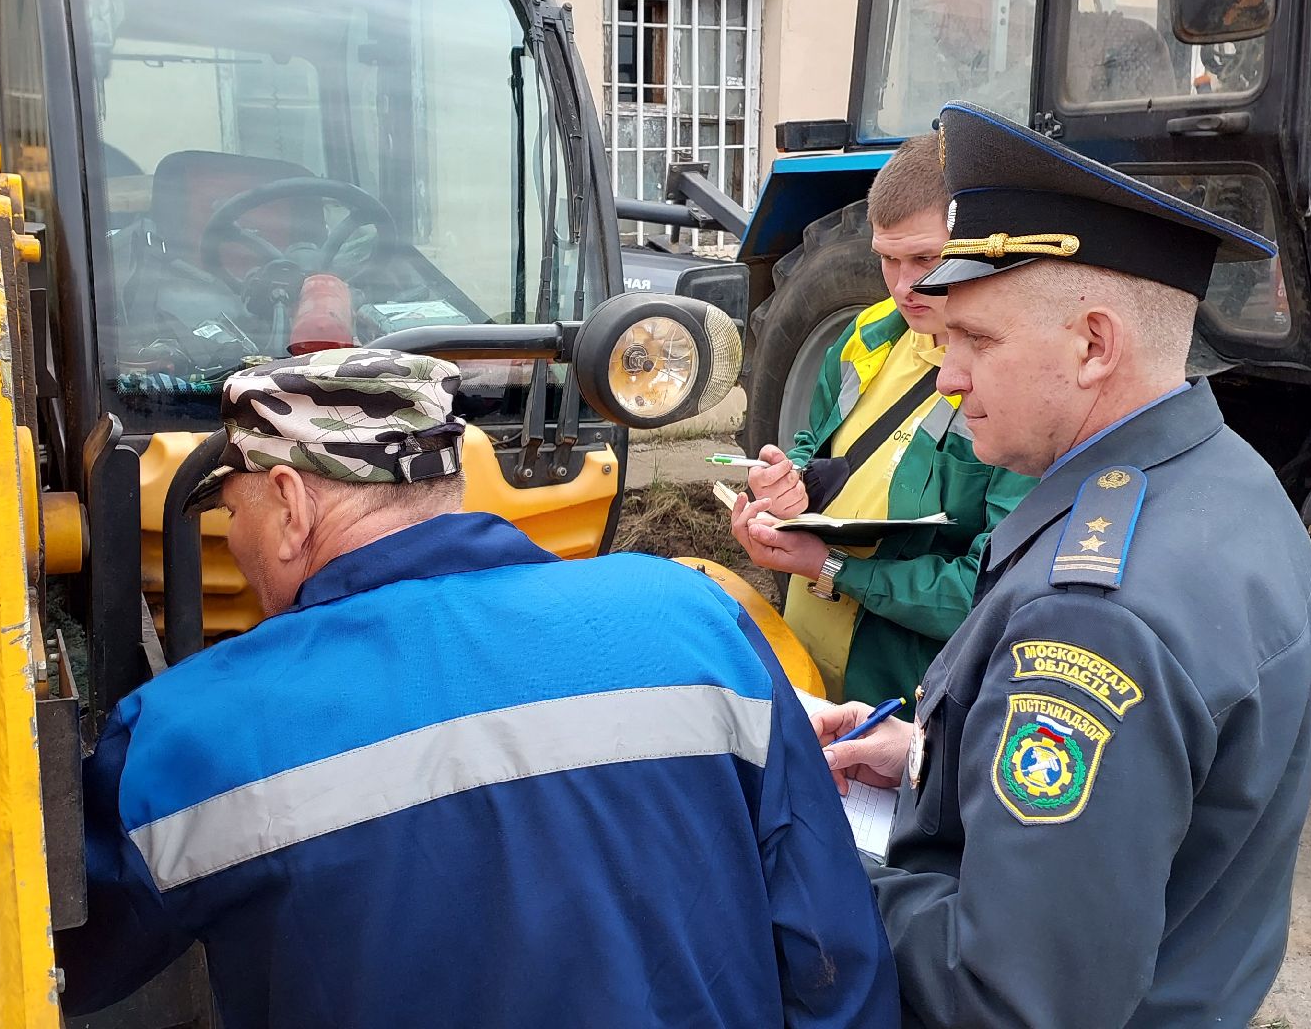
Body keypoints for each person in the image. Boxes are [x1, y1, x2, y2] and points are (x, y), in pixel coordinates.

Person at [58, 349, 899, 1028]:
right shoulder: (694, 617)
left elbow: (65, 963)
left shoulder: (194, 730)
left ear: (288, 502)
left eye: (229, 510)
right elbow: (831, 949)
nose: (232, 536)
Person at [781, 103, 1311, 1027]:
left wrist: (812, 866)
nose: (948, 378)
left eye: (978, 342)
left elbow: (1011, 997)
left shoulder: (1095, 618)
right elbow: (1155, 804)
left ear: (1092, 345)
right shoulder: (1220, 478)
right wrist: (930, 763)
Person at [732, 134, 1036, 706]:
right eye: (887, 259)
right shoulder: (865, 336)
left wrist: (833, 568)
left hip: (896, 703)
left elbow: (993, 592)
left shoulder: (1024, 391)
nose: (902, 286)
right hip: (803, 669)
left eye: (925, 259)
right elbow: (817, 447)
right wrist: (788, 488)